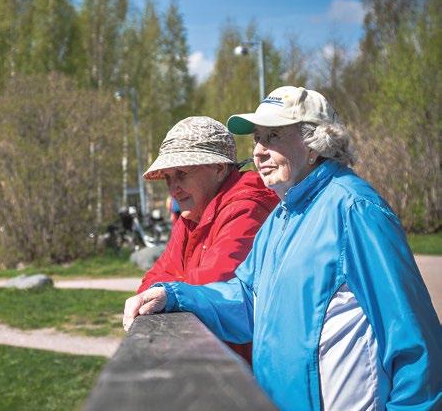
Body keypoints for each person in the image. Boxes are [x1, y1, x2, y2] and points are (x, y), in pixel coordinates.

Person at [124, 87, 442, 410]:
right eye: (257, 138)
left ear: (315, 144)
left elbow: (415, 345)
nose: (259, 151)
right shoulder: (281, 216)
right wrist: (174, 296)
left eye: (273, 136)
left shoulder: (355, 210)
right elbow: (247, 301)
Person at [137, 116, 279, 363]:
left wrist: (170, 290)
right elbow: (151, 282)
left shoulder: (246, 208)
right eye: (168, 178)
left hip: (244, 371)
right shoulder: (192, 216)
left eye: (182, 173)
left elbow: (213, 287)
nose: (173, 189)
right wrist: (166, 290)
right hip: (217, 358)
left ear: (219, 168)